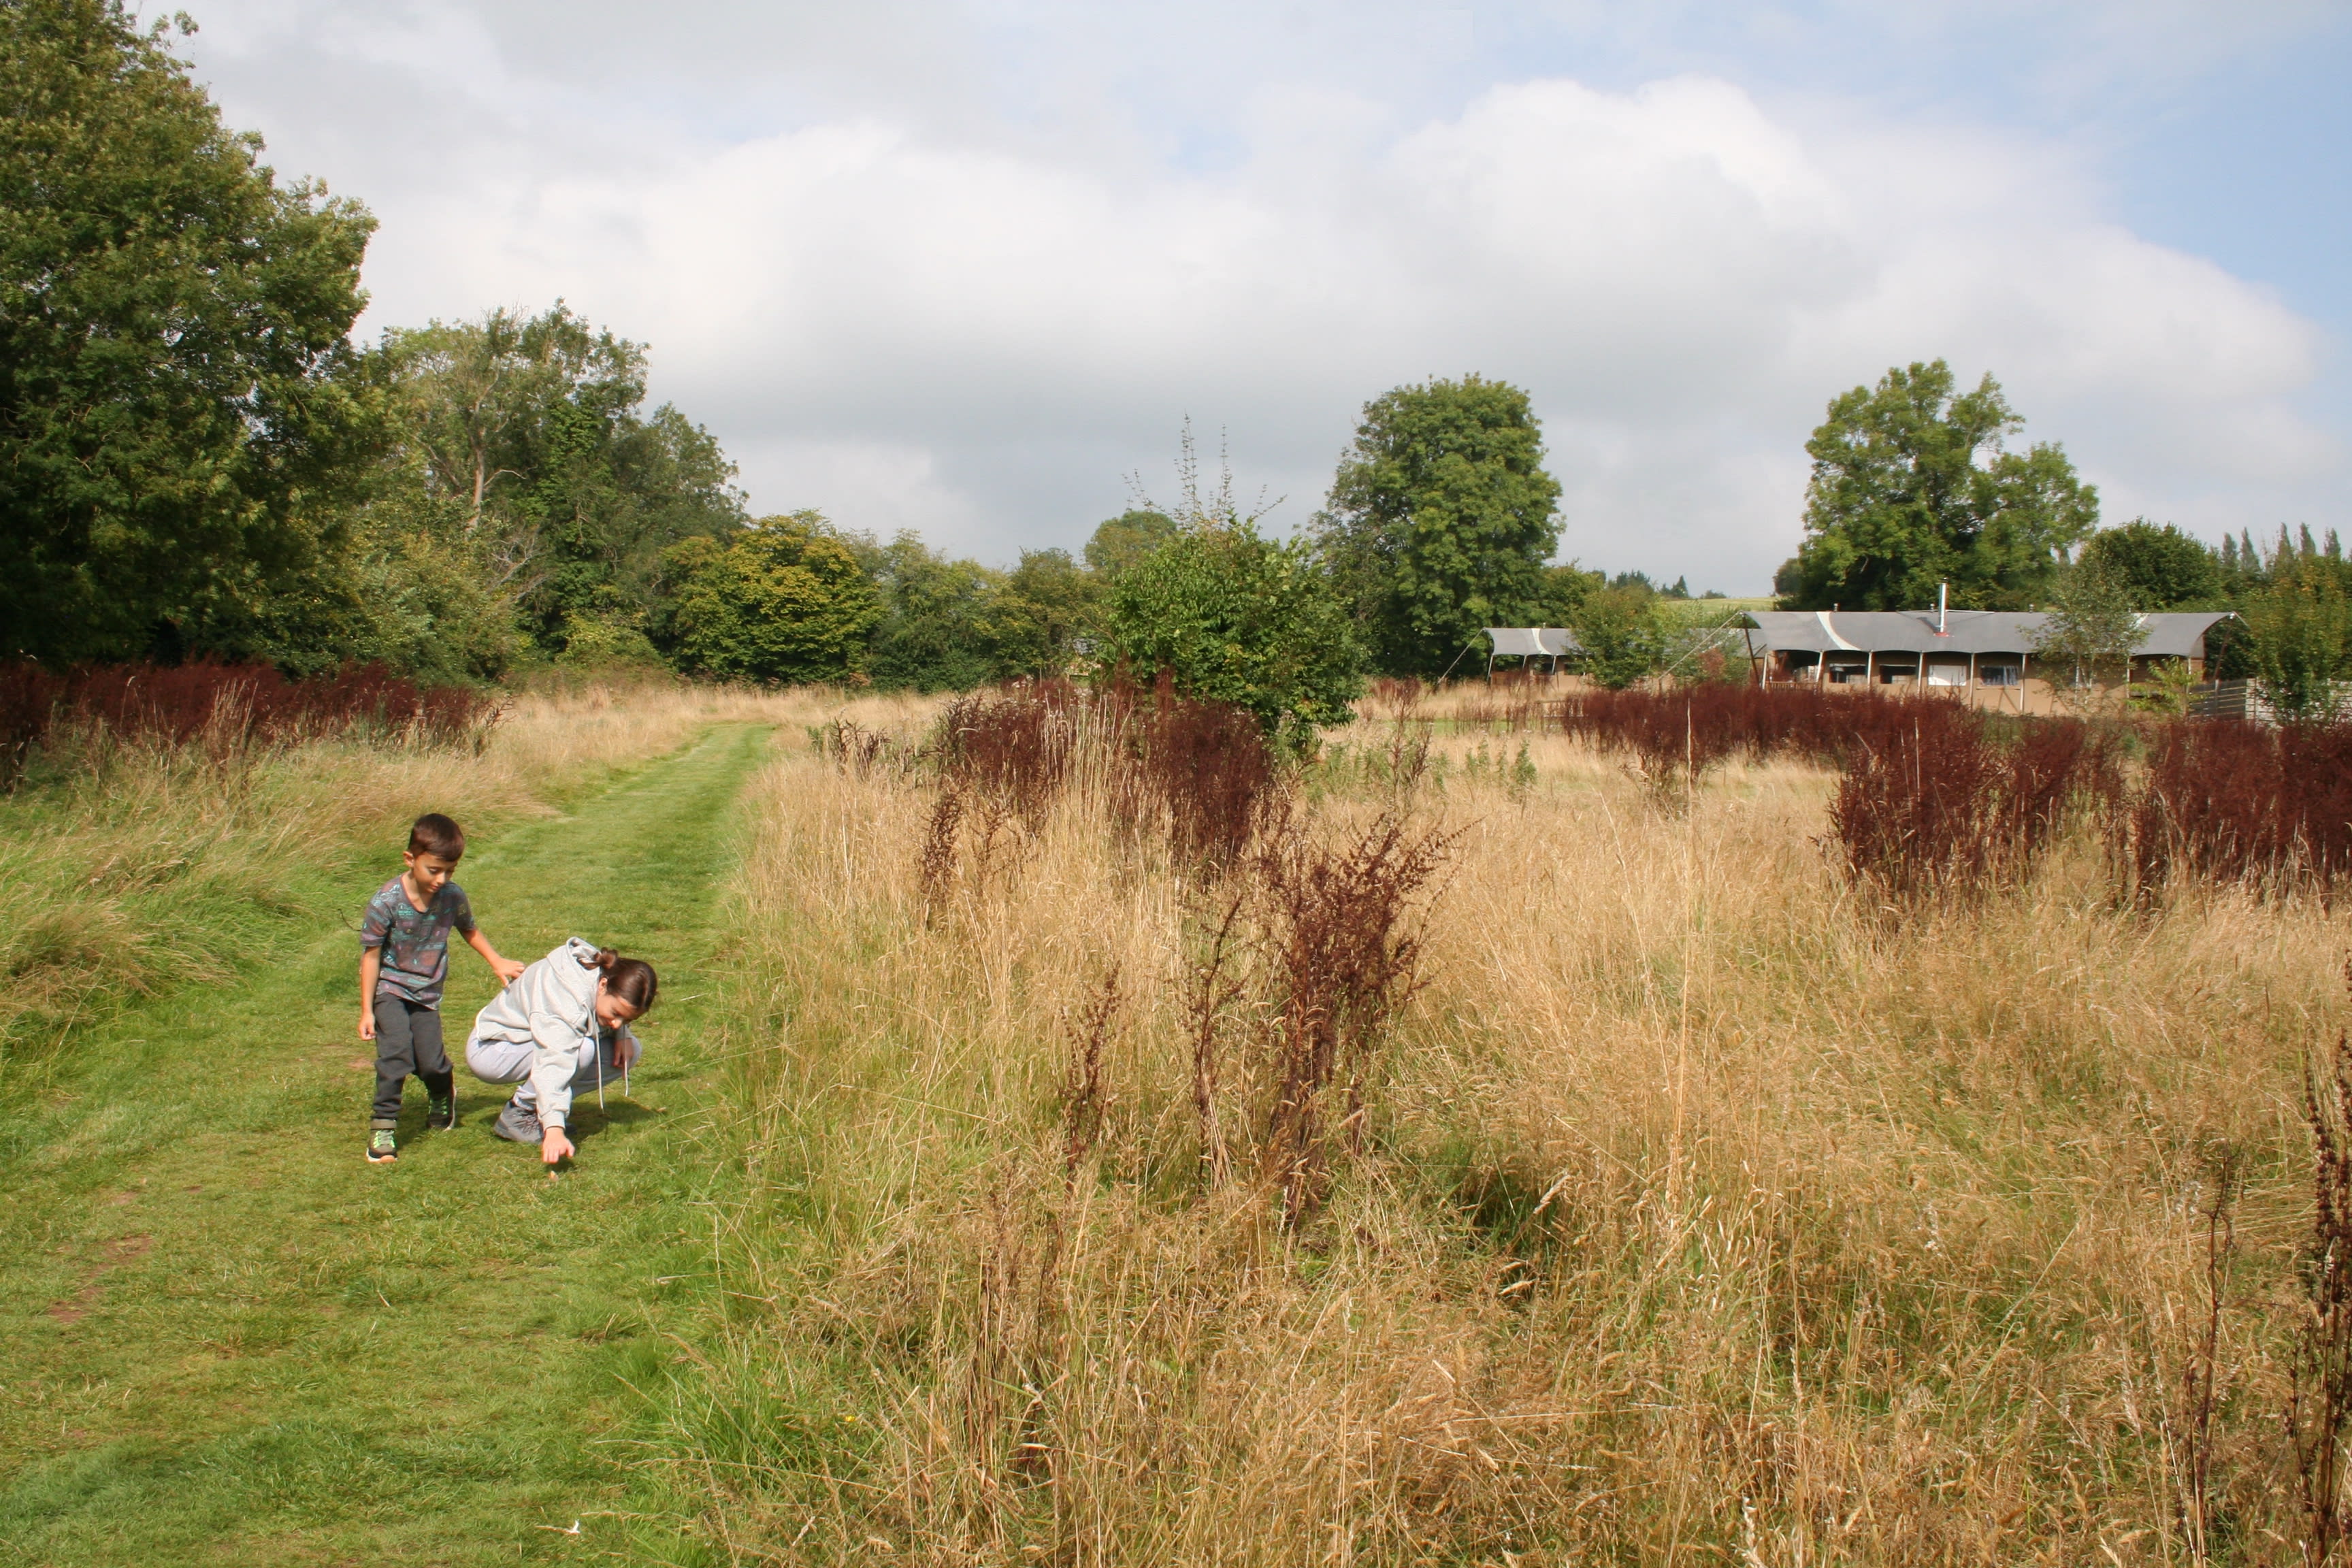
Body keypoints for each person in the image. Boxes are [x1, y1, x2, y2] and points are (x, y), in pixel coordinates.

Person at [359, 813, 527, 1164]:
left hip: (427, 994)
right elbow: (371, 956)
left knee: (432, 1063)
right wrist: (366, 1010)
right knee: (395, 1057)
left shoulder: (451, 897)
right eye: (434, 870)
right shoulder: (386, 900)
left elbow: (469, 929)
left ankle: (442, 1093)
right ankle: (384, 1125)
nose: (442, 878)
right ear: (411, 859)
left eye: (450, 871)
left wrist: (496, 961)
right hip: (390, 989)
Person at [464, 938, 657, 1166]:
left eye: (628, 1019)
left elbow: (609, 1020)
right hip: (493, 1050)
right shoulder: (565, 1001)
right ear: (603, 985)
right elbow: (555, 1062)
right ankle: (519, 1114)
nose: (617, 1023)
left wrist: (622, 1034)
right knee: (582, 1050)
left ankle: (538, 1110)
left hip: (526, 1043)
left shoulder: (601, 974)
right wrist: (554, 1129)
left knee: (631, 1051)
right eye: (616, 1013)